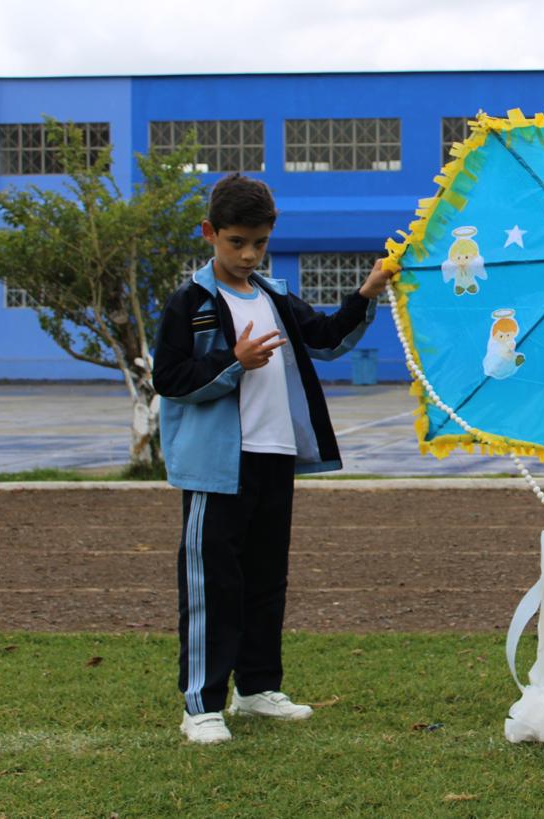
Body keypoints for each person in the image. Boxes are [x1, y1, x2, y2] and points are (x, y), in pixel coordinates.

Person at [153, 173, 393, 745]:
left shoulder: (275, 295)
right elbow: (170, 379)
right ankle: (202, 704)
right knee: (213, 583)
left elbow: (329, 340)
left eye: (259, 242)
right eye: (237, 242)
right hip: (217, 467)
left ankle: (257, 689)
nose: (248, 254)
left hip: (274, 457)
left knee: (266, 580)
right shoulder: (190, 302)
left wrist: (368, 291)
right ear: (211, 233)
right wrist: (232, 362)